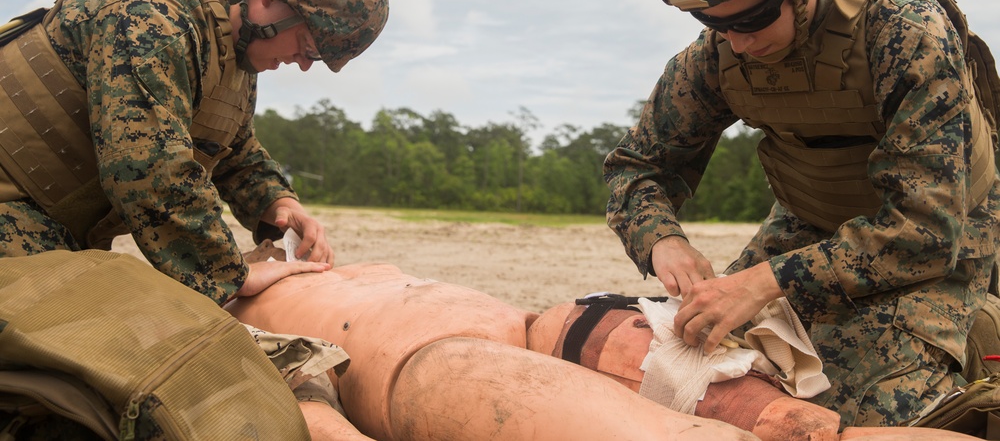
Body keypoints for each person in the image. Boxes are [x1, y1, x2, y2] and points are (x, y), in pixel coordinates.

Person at [603, 0, 1000, 429]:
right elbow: (636, 165)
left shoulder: (904, 31)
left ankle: (977, 331)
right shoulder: (718, 56)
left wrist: (763, 284)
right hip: (812, 222)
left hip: (943, 233)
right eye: (712, 23)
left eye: (749, 21)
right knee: (698, 356)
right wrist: (663, 240)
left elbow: (923, 230)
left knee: (861, 407)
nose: (735, 43)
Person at [0, 0, 389, 304]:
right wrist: (230, 272)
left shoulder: (233, 54)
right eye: (307, 46)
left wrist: (280, 205)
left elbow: (233, 152)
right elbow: (146, 168)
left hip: (52, 230)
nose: (304, 64)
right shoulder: (154, 17)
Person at [227, 253, 977, 440]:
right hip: (458, 351)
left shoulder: (246, 283)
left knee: (799, 426)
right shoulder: (225, 309)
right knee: (807, 429)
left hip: (514, 336)